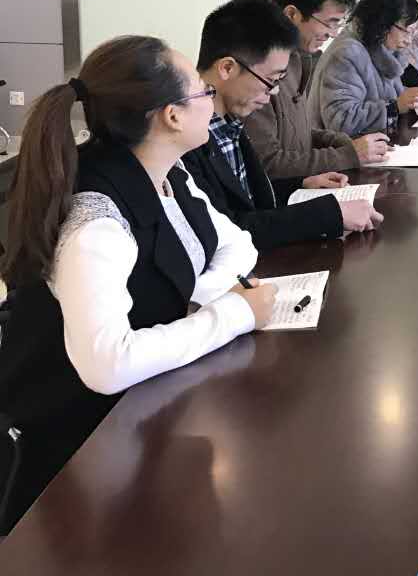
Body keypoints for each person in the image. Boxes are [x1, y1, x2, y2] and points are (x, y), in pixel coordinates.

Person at [0, 35, 277, 536]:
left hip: (147, 403)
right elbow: (107, 366)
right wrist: (233, 313)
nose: (211, 99)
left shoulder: (168, 173)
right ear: (171, 116)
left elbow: (237, 244)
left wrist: (197, 302)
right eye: (202, 92)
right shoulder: (95, 220)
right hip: (79, 451)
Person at [183, 0, 383, 252]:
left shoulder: (229, 120)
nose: (274, 92)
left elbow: (248, 197)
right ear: (227, 68)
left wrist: (299, 186)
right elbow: (229, 228)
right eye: (271, 80)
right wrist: (329, 214)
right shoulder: (187, 139)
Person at [243, 0, 390, 178]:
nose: (333, 33)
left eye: (339, 24)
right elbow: (268, 163)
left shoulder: (298, 58)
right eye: (330, 22)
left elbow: (297, 136)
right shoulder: (260, 69)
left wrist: (342, 142)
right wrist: (348, 154)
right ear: (291, 15)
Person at [308, 0, 418, 137]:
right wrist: (393, 107)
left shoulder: (381, 49)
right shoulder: (347, 53)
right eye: (405, 31)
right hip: (340, 148)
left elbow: (389, 95)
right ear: (383, 24)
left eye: (412, 32)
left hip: (375, 143)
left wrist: (410, 98)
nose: (408, 40)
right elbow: (341, 121)